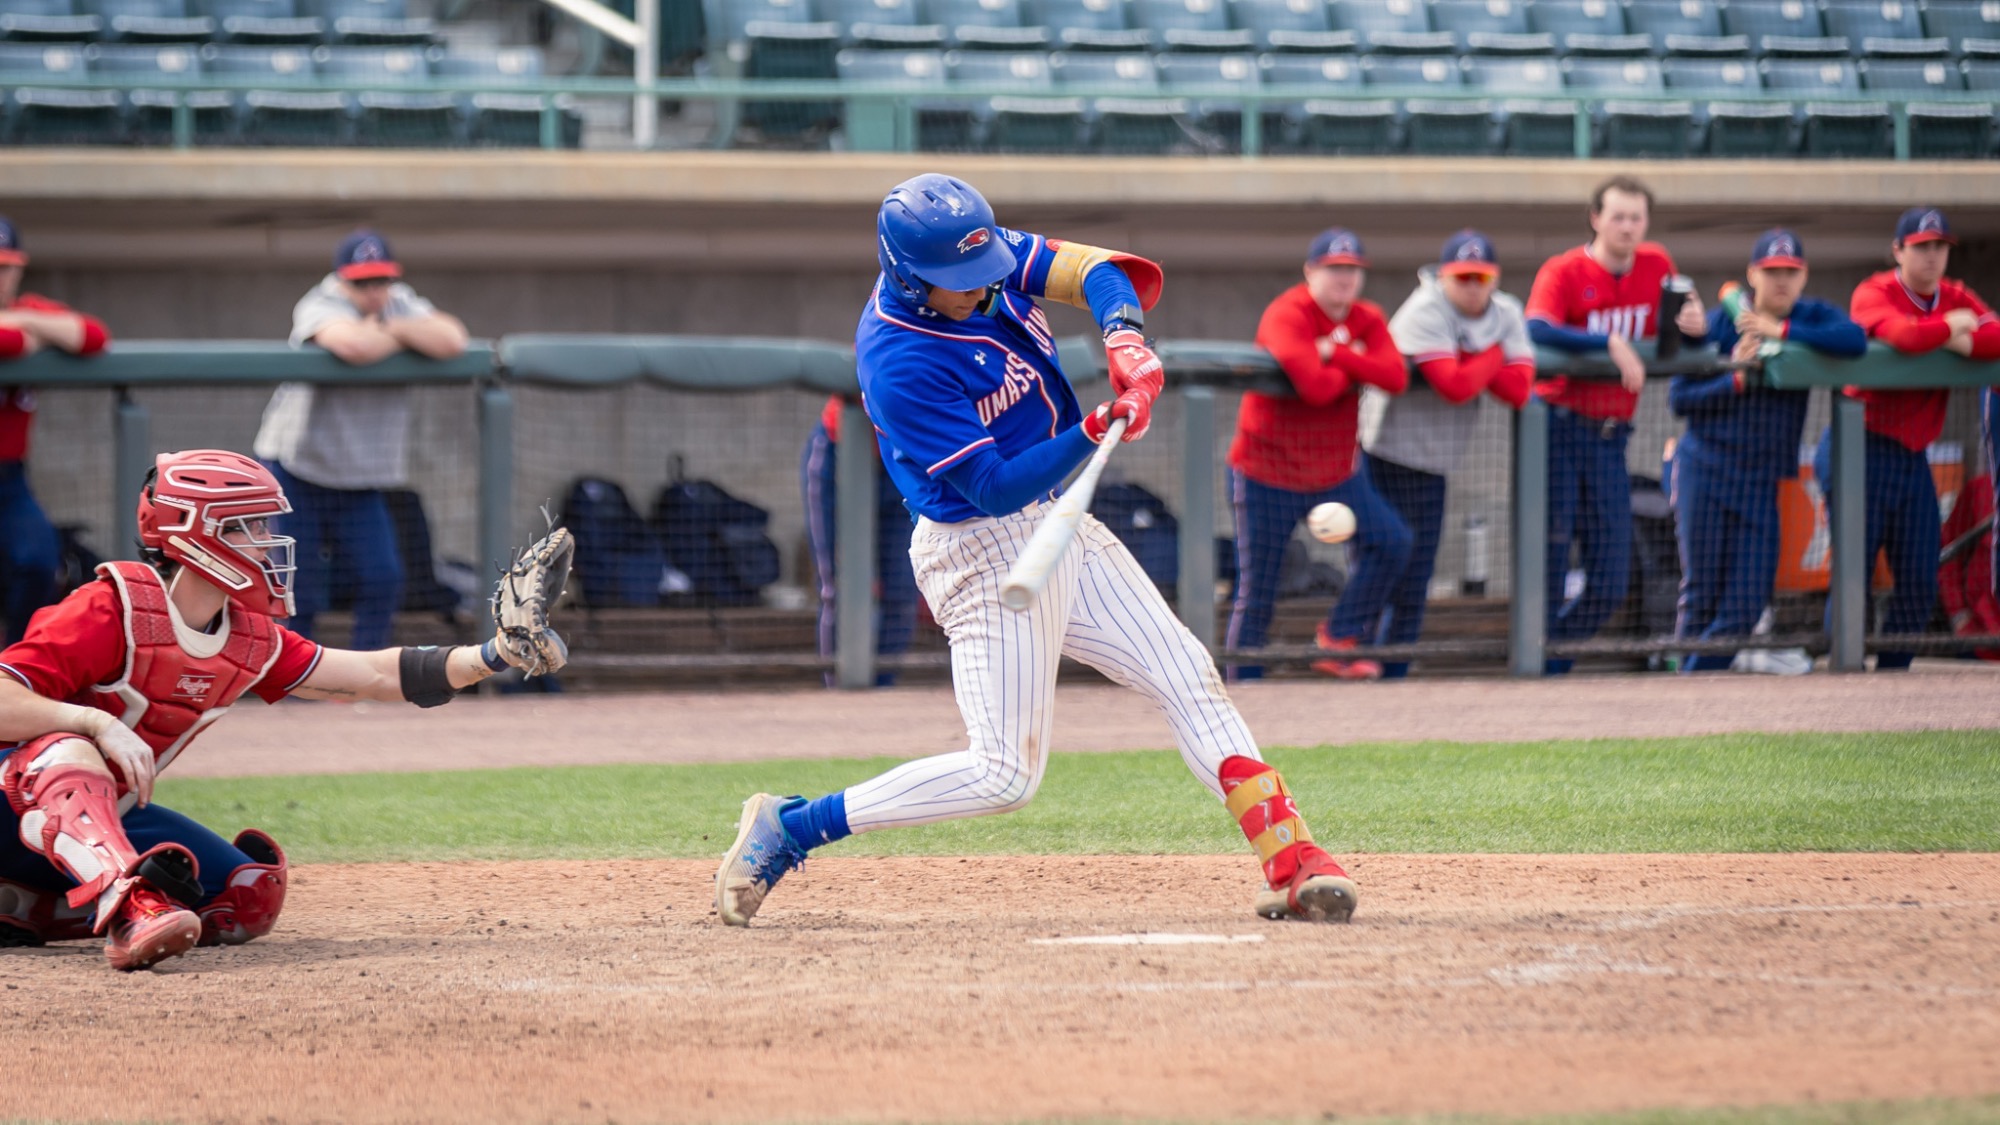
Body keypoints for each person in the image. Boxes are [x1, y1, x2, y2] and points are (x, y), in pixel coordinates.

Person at [714, 173, 1358, 929]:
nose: (982, 287)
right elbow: (989, 487)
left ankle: (1290, 857)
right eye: (959, 283)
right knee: (1004, 775)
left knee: (1186, 673)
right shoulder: (898, 360)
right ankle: (791, 827)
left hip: (1059, 521)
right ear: (909, 276)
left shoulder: (980, 255)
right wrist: (1093, 428)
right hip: (983, 552)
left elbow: (1098, 272)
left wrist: (1123, 336)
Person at [0, 449, 561, 971]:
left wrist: (493, 655)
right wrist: (93, 722)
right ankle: (131, 906)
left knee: (245, 896)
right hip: (14, 800)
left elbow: (369, 673)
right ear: (192, 534)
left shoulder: (247, 639)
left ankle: (29, 907)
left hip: (74, 829)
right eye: (248, 526)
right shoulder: (108, 607)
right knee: (69, 751)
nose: (267, 542)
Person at [252, 229, 469, 651]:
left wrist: (388, 327)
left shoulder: (398, 301)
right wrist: (404, 337)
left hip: (360, 476)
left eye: (380, 280)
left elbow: (453, 339)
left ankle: (364, 678)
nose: (374, 291)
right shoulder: (320, 301)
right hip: (298, 467)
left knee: (382, 576)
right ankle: (294, 685)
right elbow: (352, 345)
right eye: (362, 283)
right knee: (299, 587)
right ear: (341, 279)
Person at [1526, 175, 1706, 674]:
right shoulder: (1563, 269)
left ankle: (1548, 659)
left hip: (1610, 438)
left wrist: (1696, 325)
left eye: (1636, 217)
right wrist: (1603, 342)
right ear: (1596, 218)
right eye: (1618, 216)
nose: (1627, 226)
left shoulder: (1657, 264)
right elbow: (1535, 328)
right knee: (1551, 557)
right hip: (1556, 429)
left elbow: (1679, 333)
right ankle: (1534, 667)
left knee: (1610, 574)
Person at [1669, 230, 1864, 672]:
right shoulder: (1720, 322)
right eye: (1772, 272)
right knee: (1701, 592)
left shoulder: (1811, 315)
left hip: (1761, 480)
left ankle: (1694, 680)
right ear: (1753, 274)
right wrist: (1734, 376)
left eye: (1790, 272)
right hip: (1705, 466)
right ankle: (1681, 701)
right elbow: (1679, 400)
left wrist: (1783, 331)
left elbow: (1853, 339)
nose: (1781, 281)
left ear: (1803, 276)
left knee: (1747, 601)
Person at [1228, 227, 1411, 681]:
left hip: (1336, 472)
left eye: (1352, 270)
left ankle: (1339, 636)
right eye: (1334, 269)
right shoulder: (1287, 312)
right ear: (1311, 271)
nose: (1344, 279)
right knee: (1260, 589)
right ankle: (1240, 683)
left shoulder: (1367, 317)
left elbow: (1395, 376)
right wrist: (1350, 361)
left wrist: (1339, 353)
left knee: (1392, 542)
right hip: (1268, 470)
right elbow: (1314, 388)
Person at [1820, 207, 2000, 670]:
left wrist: (1951, 336)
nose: (1932, 256)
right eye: (1921, 247)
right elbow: (1901, 334)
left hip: (1912, 454)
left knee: (1920, 579)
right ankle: (1842, 681)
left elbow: (1997, 337)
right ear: (1898, 250)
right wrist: (1954, 327)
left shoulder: (1954, 294)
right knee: (1853, 577)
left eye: (1939, 246)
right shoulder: (1875, 289)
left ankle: (1893, 676)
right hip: (1858, 444)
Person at [1374, 230, 1534, 679]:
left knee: (1417, 572)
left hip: (1436, 460)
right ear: (1444, 276)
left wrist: (1473, 355)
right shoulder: (1425, 308)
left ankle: (1394, 670)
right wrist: (1495, 352)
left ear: (1494, 278)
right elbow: (1456, 386)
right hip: (1382, 454)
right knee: (1385, 563)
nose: (1471, 285)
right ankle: (1364, 661)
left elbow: (1518, 390)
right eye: (1461, 276)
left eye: (1480, 276)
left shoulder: (1506, 310)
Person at [0, 215, 110, 644]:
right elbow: (8, 344)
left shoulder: (27, 311)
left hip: (9, 477)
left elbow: (93, 337)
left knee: (38, 560)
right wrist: (26, 335)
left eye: (5, 267)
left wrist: (26, 324)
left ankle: (14, 670)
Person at [802, 392, 919, 686]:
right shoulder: (882, 345)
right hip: (838, 454)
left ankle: (882, 686)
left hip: (901, 463)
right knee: (838, 587)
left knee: (902, 590)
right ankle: (838, 692)